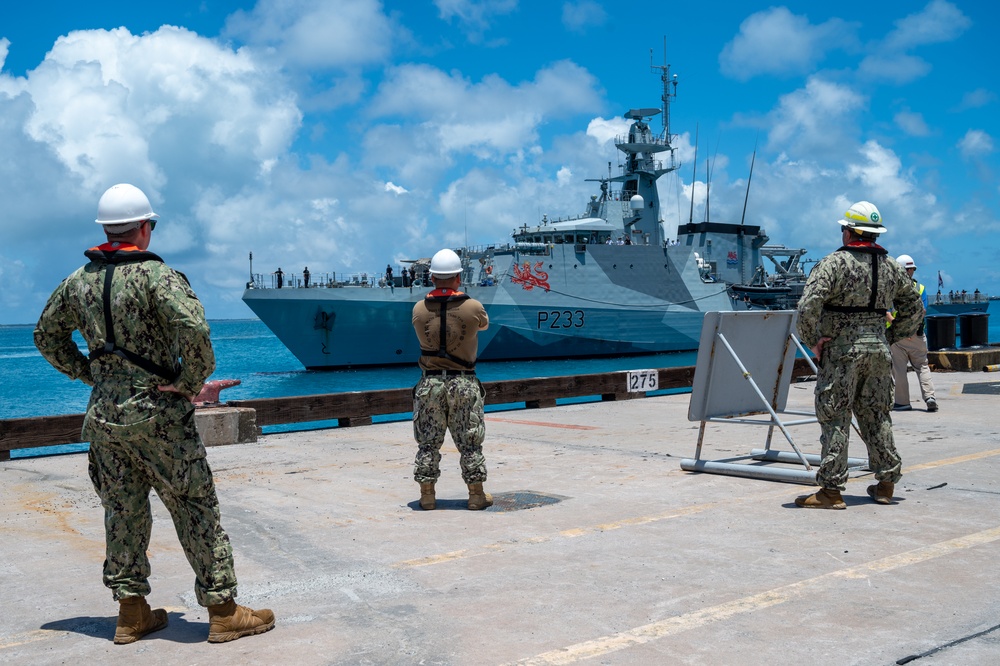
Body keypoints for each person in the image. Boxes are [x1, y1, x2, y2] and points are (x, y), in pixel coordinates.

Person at [33, 184, 275, 644]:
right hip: (159, 413)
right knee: (193, 505)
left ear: (105, 229)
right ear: (144, 228)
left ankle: (131, 613)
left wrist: (88, 374)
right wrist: (188, 383)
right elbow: (194, 329)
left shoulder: (76, 281)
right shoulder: (158, 277)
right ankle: (223, 611)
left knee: (122, 511)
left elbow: (46, 336)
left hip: (105, 417)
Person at [794, 201, 922, 509]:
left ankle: (831, 491)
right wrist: (887, 336)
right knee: (877, 415)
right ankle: (886, 483)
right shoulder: (892, 266)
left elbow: (808, 305)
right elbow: (914, 308)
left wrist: (814, 340)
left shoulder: (834, 264)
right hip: (878, 350)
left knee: (835, 415)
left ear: (849, 232)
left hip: (842, 351)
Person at [411, 248, 492, 511]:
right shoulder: (473, 306)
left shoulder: (418, 309)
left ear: (432, 277)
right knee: (469, 441)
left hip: (430, 383)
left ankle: (427, 496)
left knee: (428, 441)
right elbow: (483, 326)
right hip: (463, 382)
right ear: (459, 277)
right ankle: (476, 495)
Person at [888, 254, 937, 412]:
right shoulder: (920, 288)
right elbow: (922, 311)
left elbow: (885, 311)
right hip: (918, 334)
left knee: (899, 369)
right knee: (922, 366)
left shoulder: (891, 289)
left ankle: (902, 402)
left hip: (898, 337)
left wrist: (898, 326)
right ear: (912, 270)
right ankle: (930, 397)